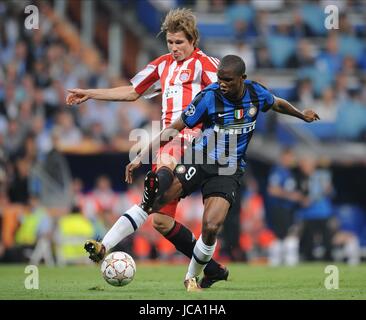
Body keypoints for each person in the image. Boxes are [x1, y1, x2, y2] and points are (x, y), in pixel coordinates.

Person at [125, 55, 320, 291]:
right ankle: (105, 245)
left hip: (229, 169)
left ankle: (191, 278)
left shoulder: (256, 93)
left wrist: (302, 115)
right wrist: (141, 155)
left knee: (211, 226)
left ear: (242, 79)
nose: (222, 84)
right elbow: (174, 127)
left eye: (228, 80)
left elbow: (277, 103)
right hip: (199, 159)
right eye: (220, 79)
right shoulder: (209, 96)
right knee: (154, 202)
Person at [66, 8, 227, 288]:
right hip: (168, 138)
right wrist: (90, 93)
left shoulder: (207, 65)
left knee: (160, 172)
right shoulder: (161, 65)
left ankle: (105, 244)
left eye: (180, 43)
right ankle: (212, 268)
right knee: (160, 222)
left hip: (194, 141)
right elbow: (132, 91)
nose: (174, 48)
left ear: (193, 41)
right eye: (170, 42)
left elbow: (227, 95)